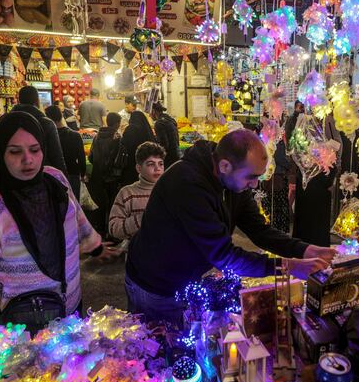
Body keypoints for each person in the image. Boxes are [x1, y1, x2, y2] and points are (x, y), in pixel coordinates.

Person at [126, 129, 336, 326]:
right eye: (252, 177)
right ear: (225, 166)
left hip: (186, 277)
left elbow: (259, 230)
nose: (254, 185)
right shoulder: (187, 183)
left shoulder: (232, 180)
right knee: (161, 352)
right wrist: (289, 266)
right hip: (156, 284)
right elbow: (224, 256)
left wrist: (304, 249)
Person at [0, 112, 116, 343]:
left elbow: (77, 218)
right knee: (33, 376)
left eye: (34, 149)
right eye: (15, 151)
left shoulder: (57, 181)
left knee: (72, 369)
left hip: (70, 303)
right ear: (0, 153)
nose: (28, 160)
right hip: (25, 321)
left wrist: (95, 246)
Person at [291, 114, 342, 247]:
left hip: (315, 185)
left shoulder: (327, 123)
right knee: (311, 220)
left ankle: (305, 246)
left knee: (312, 220)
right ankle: (309, 247)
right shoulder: (317, 143)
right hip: (313, 185)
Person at [109, 142, 165, 241]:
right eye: (151, 164)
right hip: (138, 252)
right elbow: (114, 228)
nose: (158, 168)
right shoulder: (127, 193)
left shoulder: (169, 191)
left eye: (161, 164)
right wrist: (143, 218)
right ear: (139, 168)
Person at [12, 86, 68, 174]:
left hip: (14, 174)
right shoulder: (46, 123)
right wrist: (64, 180)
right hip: (42, 175)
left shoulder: (5, 122)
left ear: (19, 100)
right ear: (37, 100)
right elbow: (56, 156)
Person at [88, 112, 122, 233]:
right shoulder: (117, 138)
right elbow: (119, 160)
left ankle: (100, 230)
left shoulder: (97, 137)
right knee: (113, 204)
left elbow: (91, 157)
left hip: (97, 176)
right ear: (117, 124)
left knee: (99, 204)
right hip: (112, 177)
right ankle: (111, 231)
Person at [45, 105, 87, 200]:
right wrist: (83, 174)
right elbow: (81, 157)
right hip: (73, 172)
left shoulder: (47, 137)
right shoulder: (75, 135)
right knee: (74, 203)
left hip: (54, 175)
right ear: (61, 116)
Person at [119, 111, 156, 186]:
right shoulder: (147, 129)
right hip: (146, 162)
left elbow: (123, 144)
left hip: (132, 162)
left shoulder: (131, 128)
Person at [150, 102, 180, 166]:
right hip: (176, 155)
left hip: (169, 159)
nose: (149, 115)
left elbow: (163, 145)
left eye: (150, 112)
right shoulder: (170, 119)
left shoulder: (159, 123)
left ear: (153, 111)